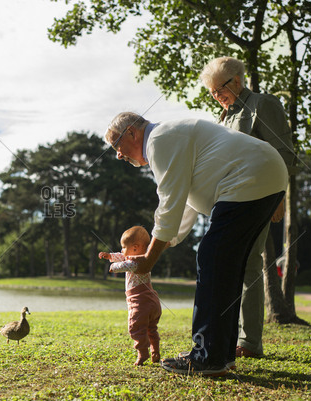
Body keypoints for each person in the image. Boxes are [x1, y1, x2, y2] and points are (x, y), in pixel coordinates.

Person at [104, 111, 287, 376]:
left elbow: (168, 202)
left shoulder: (158, 140)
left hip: (249, 176)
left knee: (211, 259)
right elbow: (183, 204)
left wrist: (150, 258)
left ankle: (206, 357)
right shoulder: (168, 138)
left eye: (116, 146)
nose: (118, 155)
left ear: (132, 132)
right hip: (265, 174)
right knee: (225, 265)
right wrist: (161, 244)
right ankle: (221, 354)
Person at [199, 56, 294, 359]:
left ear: (237, 81)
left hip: (261, 195)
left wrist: (280, 196)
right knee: (232, 263)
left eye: (219, 90)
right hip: (230, 199)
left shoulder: (264, 104)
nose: (216, 96)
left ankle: (249, 342)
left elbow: (282, 150)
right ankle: (233, 336)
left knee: (250, 261)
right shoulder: (224, 116)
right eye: (212, 93)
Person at [99, 226, 161, 366]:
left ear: (135, 247)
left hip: (140, 302)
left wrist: (113, 267)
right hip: (153, 301)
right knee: (151, 328)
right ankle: (155, 351)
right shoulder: (145, 258)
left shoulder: (137, 262)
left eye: (123, 247)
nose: (121, 250)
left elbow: (125, 264)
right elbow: (123, 256)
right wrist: (110, 256)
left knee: (136, 327)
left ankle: (142, 353)